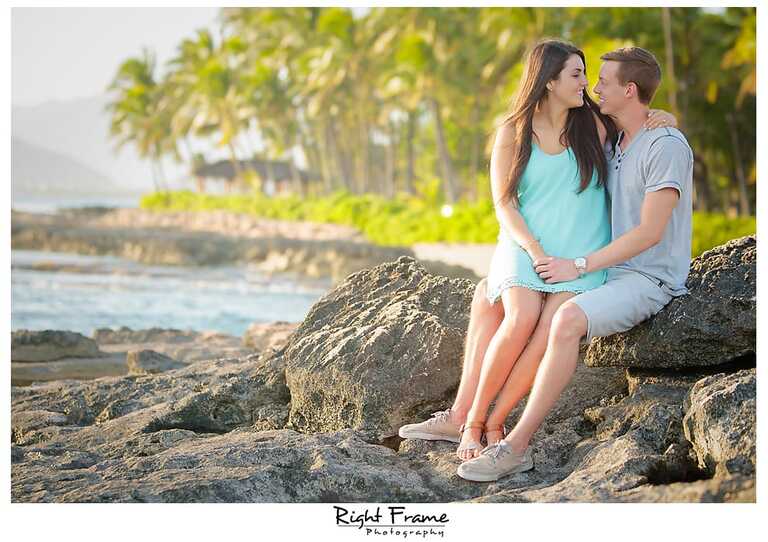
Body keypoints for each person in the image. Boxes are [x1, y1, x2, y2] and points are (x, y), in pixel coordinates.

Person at [398, 40, 677, 462]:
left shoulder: (596, 124)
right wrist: (533, 250)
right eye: (577, 74)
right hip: (525, 243)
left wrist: (666, 116)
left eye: (589, 75)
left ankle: (495, 422)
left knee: (549, 329)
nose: (588, 84)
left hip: (582, 250)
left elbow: (640, 118)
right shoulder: (513, 130)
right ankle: (471, 422)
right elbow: (504, 202)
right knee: (521, 316)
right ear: (548, 81)